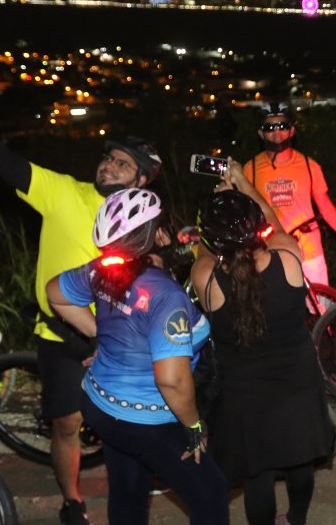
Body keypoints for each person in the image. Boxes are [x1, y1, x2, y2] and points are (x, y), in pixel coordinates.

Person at [0, 79, 161, 525]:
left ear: (142, 179)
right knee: (66, 424)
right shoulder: (63, 192)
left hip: (119, 336)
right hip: (61, 332)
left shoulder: (146, 215)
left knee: (132, 421)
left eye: (123, 163)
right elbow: (1, 161)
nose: (110, 166)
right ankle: (72, 500)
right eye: (108, 158)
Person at [47, 189, 229, 525]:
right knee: (212, 493)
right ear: (153, 233)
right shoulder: (165, 296)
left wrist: (100, 335)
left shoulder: (101, 270)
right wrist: (193, 426)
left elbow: (54, 293)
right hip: (146, 420)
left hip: (99, 404)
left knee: (129, 491)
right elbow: (171, 380)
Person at [192, 162, 335, 525]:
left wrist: (215, 215)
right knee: (300, 461)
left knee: (259, 475)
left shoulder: (206, 278)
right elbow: (276, 224)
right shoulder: (287, 258)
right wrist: (244, 188)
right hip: (298, 384)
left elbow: (205, 253)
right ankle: (297, 519)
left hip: (245, 394)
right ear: (257, 228)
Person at [243, 100, 336, 288]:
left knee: (322, 310)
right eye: (269, 127)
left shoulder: (309, 165)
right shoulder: (251, 169)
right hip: (271, 250)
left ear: (292, 130)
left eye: (282, 125)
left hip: (309, 249)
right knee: (278, 310)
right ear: (260, 133)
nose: (276, 131)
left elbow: (325, 205)